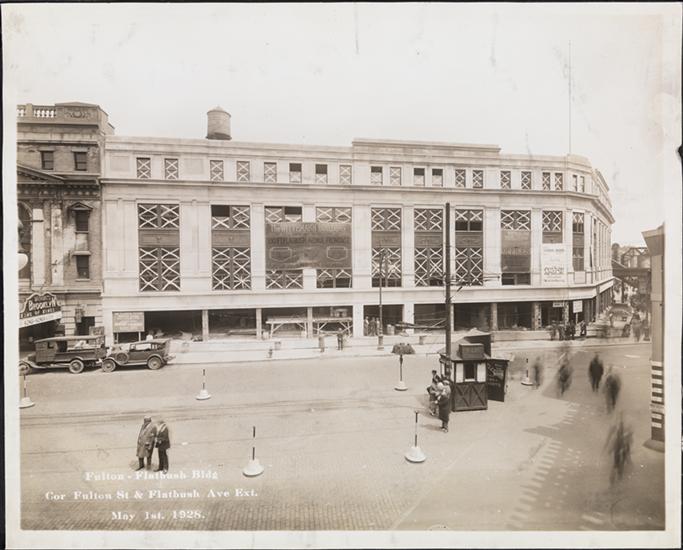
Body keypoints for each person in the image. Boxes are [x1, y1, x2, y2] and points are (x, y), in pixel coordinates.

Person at [605, 414, 633, 485]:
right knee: (618, 465)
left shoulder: (622, 435)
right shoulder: (622, 435)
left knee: (617, 465)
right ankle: (616, 480)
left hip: (621, 448)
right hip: (620, 448)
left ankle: (617, 480)